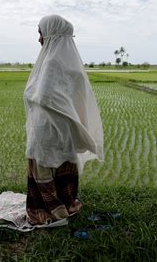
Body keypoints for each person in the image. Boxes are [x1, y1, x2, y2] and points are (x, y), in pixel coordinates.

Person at [23, 14, 104, 225]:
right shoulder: (70, 62)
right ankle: (66, 202)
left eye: (41, 33)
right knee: (63, 161)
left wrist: (28, 93)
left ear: (50, 33)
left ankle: (45, 209)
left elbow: (43, 95)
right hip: (65, 125)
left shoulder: (51, 62)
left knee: (44, 163)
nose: (39, 39)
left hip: (47, 126)